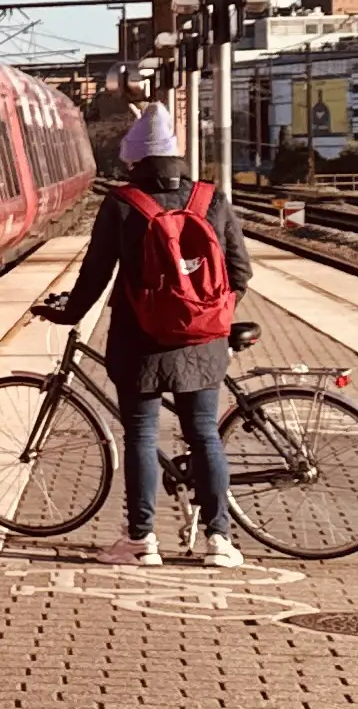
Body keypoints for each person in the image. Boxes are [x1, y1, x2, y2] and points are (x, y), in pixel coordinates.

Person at [37, 100, 254, 566]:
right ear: (175, 155)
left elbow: (95, 275)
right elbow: (240, 272)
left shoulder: (123, 204)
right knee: (204, 433)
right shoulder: (211, 198)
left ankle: (140, 541)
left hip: (139, 341)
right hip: (204, 343)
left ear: (135, 160)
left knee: (140, 433)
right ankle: (219, 541)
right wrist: (206, 315)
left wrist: (67, 314)